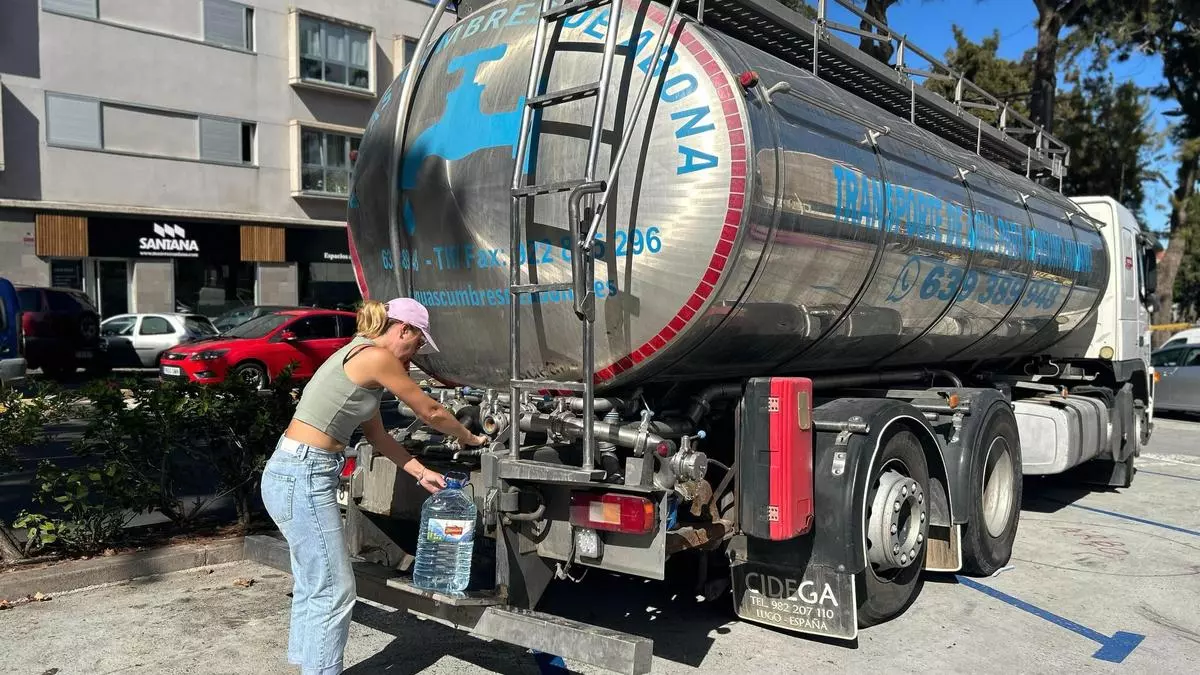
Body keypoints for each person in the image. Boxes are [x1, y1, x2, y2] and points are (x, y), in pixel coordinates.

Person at [260, 297, 489, 675]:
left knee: (314, 585)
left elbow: (378, 436)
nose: (415, 353)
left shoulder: (360, 356)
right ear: (404, 329)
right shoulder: (376, 356)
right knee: (334, 590)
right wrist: (470, 437)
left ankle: (311, 667)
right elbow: (431, 411)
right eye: (417, 343)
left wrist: (419, 471)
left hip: (297, 472)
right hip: (303, 474)